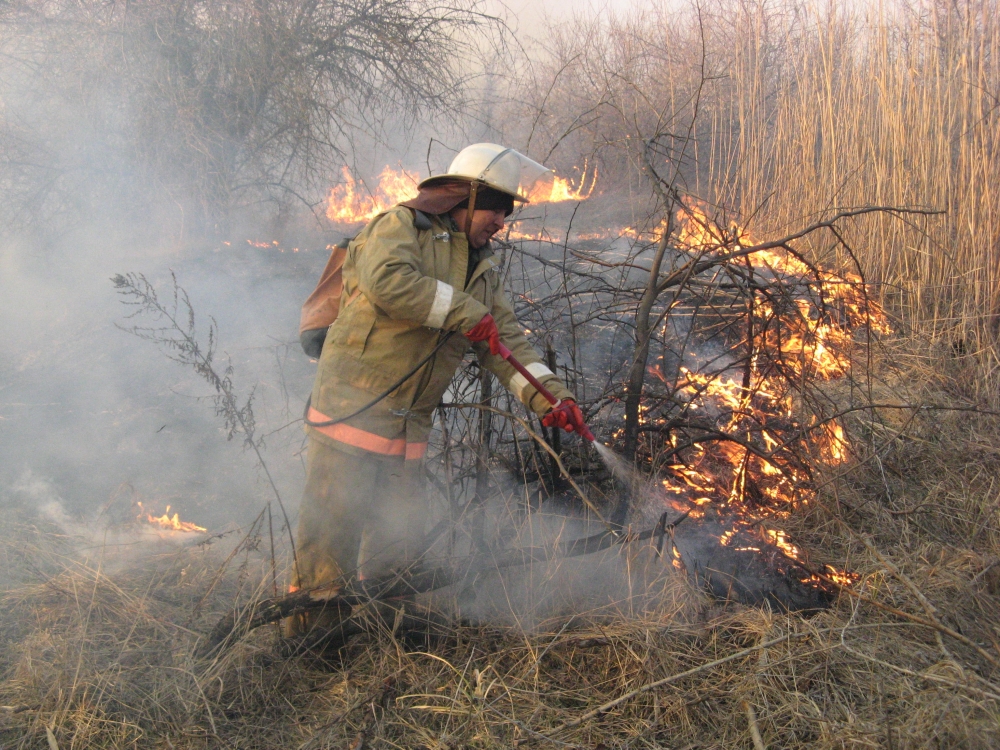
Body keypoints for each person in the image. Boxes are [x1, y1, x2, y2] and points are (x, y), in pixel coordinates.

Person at [285, 144, 591, 636]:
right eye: (497, 209)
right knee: (329, 539)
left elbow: (504, 341)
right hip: (353, 409)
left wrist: (551, 397)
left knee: (396, 540)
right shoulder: (401, 227)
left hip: (407, 427)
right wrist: (469, 313)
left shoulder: (480, 267)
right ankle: (313, 645)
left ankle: (391, 634)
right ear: (466, 197)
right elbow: (388, 280)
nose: (501, 223)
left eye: (507, 214)